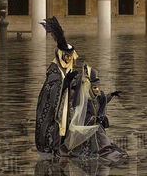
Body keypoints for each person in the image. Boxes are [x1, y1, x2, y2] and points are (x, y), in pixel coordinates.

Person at [35, 18, 124, 162]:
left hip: (67, 112)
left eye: (71, 56)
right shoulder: (53, 72)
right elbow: (51, 92)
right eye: (67, 56)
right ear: (60, 55)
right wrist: (65, 84)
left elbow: (77, 91)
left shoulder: (66, 70)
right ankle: (56, 147)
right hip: (55, 115)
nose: (70, 59)